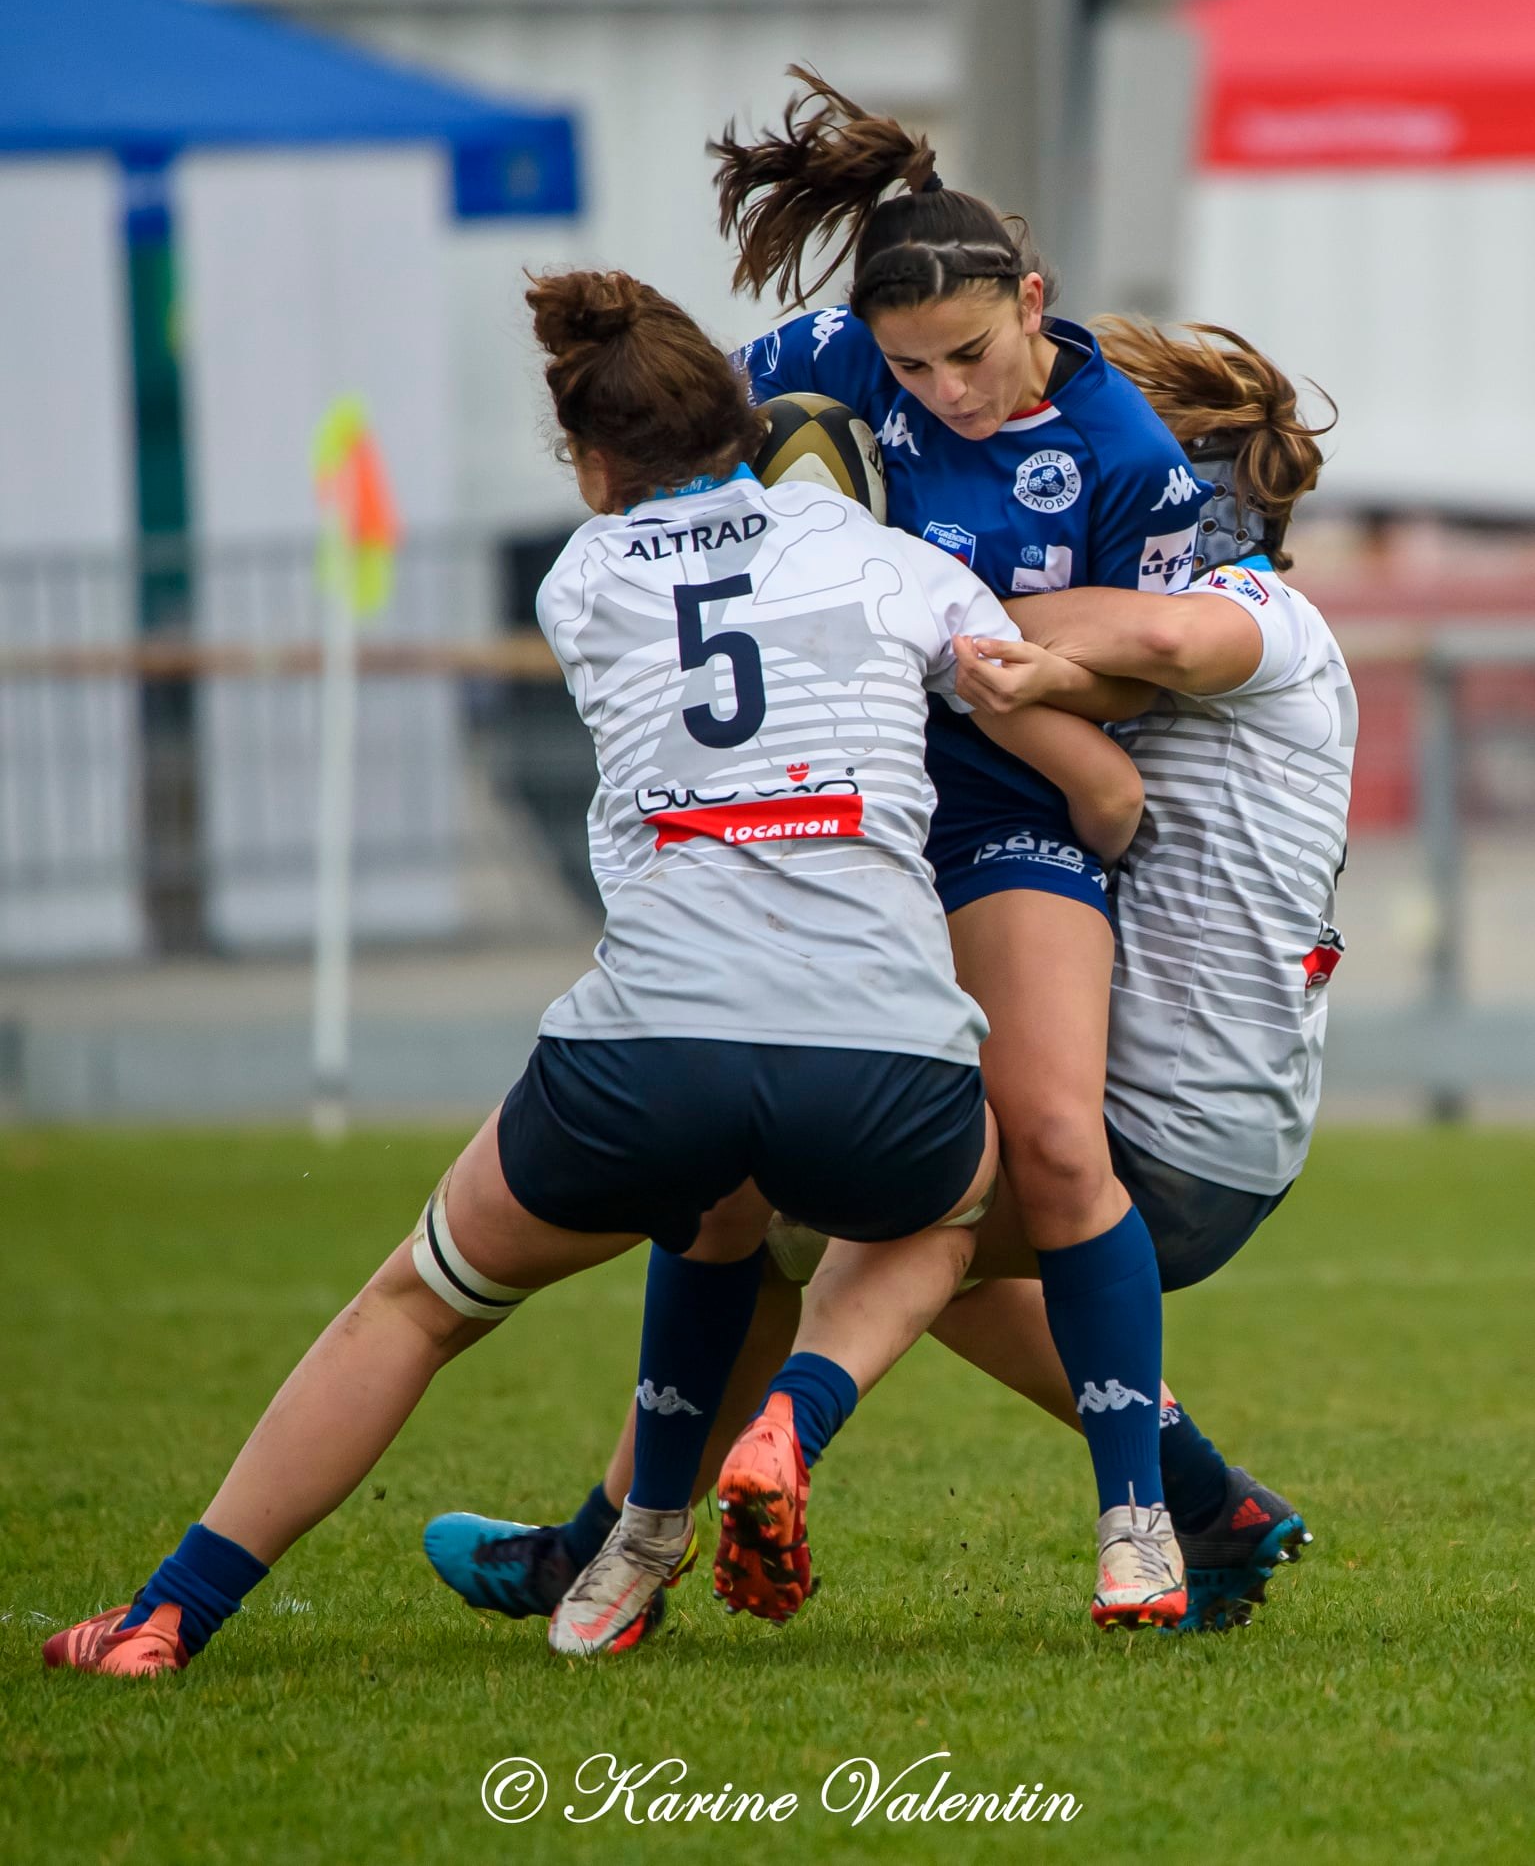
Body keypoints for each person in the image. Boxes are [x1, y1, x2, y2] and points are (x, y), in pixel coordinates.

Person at [42, 266, 1152, 1677]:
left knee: (426, 1296)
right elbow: (1094, 779)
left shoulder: (580, 579)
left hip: (651, 1047)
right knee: (938, 1213)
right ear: (750, 429)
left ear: (589, 461)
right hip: (878, 1059)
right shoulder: (891, 561)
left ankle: (171, 1613)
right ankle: (819, 1472)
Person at [426, 79, 1340, 1635]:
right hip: (862, 818)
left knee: (964, 1174)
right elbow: (698, 440)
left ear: (1037, 311)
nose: (944, 394)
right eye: (913, 365)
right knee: (766, 1193)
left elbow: (1127, 689)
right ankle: (635, 1539)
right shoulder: (842, 363)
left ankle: (1134, 1524)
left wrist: (974, 640)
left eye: (972, 357)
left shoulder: (1138, 479)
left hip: (1016, 840)